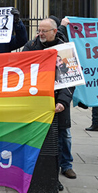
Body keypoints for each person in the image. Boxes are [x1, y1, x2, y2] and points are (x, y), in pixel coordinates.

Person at [23, 17, 77, 181]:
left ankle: (66, 165)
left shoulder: (65, 50)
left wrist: (63, 101)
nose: (40, 33)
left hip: (58, 97)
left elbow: (70, 79)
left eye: (44, 31)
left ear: (54, 31)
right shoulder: (31, 47)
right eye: (38, 30)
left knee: (63, 133)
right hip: (37, 98)